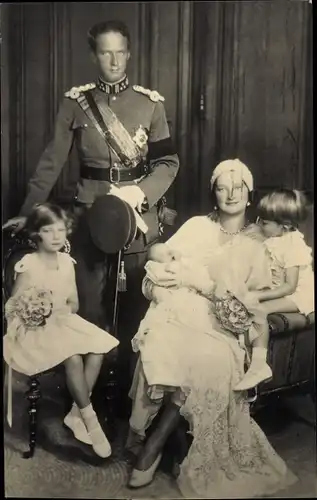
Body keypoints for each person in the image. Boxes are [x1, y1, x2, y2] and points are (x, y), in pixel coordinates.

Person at [2, 20, 179, 408]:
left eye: (120, 52)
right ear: (94, 55)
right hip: (89, 217)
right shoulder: (76, 102)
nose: (114, 60)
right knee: (89, 308)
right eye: (105, 52)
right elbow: (52, 161)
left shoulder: (151, 103)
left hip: (136, 218)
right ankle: (90, 398)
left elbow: (167, 162)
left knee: (136, 308)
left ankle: (131, 395)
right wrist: (28, 211)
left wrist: (141, 193)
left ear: (129, 54)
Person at [125, 159, 297, 498]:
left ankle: (155, 445)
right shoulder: (195, 227)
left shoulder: (260, 241)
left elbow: (252, 301)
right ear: (213, 193)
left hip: (223, 324)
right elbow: (153, 273)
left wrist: (204, 285)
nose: (231, 194)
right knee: (160, 342)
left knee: (206, 360)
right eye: (222, 186)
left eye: (239, 187)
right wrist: (159, 290)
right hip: (176, 311)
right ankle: (175, 444)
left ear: (250, 195)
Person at [3, 203, 119, 457]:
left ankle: (76, 414)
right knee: (73, 358)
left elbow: (74, 303)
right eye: (48, 230)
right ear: (36, 234)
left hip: (61, 321)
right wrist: (33, 308)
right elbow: (12, 305)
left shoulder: (67, 262)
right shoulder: (29, 264)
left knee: (98, 349)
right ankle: (91, 421)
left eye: (60, 230)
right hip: (34, 329)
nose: (56, 237)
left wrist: (59, 307)